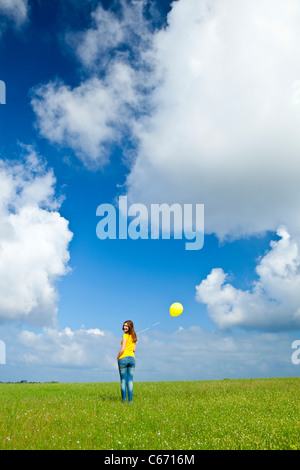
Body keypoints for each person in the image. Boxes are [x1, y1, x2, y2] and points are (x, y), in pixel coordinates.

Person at [117, 320, 137, 403]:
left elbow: (122, 349)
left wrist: (118, 357)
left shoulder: (124, 336)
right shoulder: (134, 337)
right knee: (130, 381)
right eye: (124, 325)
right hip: (132, 359)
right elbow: (134, 349)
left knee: (123, 381)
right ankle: (130, 401)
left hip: (123, 358)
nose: (125, 327)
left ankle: (124, 401)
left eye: (126, 326)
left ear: (130, 327)